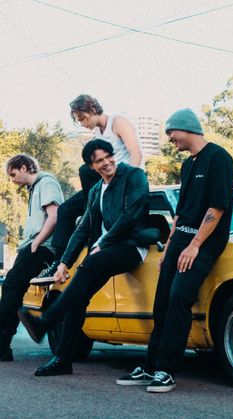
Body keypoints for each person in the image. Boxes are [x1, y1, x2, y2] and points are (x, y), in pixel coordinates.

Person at [116, 108, 233, 392]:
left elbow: (217, 207)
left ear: (186, 128)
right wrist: (170, 248)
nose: (169, 139)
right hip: (180, 239)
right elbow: (180, 214)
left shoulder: (219, 157)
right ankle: (151, 366)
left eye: (171, 133)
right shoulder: (188, 164)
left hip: (203, 242)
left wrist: (194, 246)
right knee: (162, 303)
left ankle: (166, 371)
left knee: (180, 297)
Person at [18, 139, 149, 376]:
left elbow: (132, 214)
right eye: (100, 160)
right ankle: (63, 360)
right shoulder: (97, 190)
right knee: (78, 298)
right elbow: (83, 229)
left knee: (92, 262)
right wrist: (64, 262)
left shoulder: (134, 176)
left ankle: (45, 322)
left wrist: (103, 243)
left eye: (109, 156)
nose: (107, 162)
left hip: (132, 246)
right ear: (91, 166)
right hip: (106, 251)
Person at [33, 94, 143, 282]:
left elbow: (137, 155)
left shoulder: (118, 122)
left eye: (83, 118)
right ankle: (59, 261)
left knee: (85, 171)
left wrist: (129, 183)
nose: (82, 124)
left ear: (92, 110)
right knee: (66, 210)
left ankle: (92, 220)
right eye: (79, 121)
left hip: (122, 182)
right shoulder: (99, 134)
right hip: (104, 183)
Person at [0, 154, 64, 361]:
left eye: (13, 174)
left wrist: (36, 243)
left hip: (41, 247)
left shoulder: (46, 182)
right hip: (33, 246)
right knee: (12, 290)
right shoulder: (35, 187)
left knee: (11, 288)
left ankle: (2, 345)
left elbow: (54, 216)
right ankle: (3, 346)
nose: (13, 180)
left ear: (25, 167)